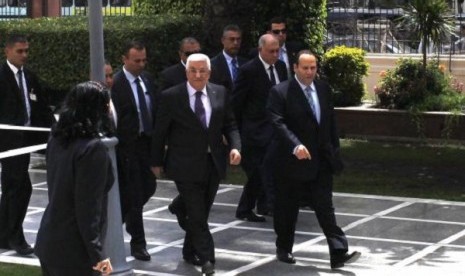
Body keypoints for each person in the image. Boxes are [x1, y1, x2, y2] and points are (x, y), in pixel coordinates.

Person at [267, 50, 361, 269]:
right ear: (295, 68)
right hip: (291, 163)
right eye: (305, 68)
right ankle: (284, 248)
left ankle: (338, 251)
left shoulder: (323, 89)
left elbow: (330, 123)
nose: (310, 72)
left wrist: (335, 152)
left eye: (313, 67)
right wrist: (295, 145)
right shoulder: (280, 92)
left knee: (325, 207)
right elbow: (277, 123)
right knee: (287, 209)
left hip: (321, 162)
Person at [151, 53, 241, 276]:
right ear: (186, 72)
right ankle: (207, 259)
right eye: (193, 71)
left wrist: (235, 147)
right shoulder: (171, 96)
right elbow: (160, 132)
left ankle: (187, 244)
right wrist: (156, 162)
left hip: (213, 163)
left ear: (209, 73)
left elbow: (230, 125)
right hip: (184, 164)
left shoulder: (219, 93)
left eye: (202, 71)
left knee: (202, 210)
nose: (198, 75)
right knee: (198, 214)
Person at [35, 81, 114, 276]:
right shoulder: (92, 150)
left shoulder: (56, 138)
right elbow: (87, 209)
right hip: (75, 252)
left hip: (50, 242)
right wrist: (98, 256)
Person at [0, 34, 53, 255]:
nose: (24, 55)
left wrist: (54, 131)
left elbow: (40, 108)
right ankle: (15, 237)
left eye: (26, 51)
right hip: (8, 143)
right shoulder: (1, 76)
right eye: (19, 51)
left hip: (27, 141)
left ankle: (5, 235)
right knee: (19, 187)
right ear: (7, 51)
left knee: (13, 188)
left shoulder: (29, 77)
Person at [232, 34, 287, 222]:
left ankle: (259, 206)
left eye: (277, 50)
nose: (275, 54)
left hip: (277, 129)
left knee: (269, 169)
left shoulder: (281, 67)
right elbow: (237, 103)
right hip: (255, 131)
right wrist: (235, 133)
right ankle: (251, 207)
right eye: (271, 51)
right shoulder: (249, 70)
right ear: (260, 50)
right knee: (258, 171)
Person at [111, 40, 157, 261]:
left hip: (145, 144)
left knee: (148, 186)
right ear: (125, 59)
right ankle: (138, 242)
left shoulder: (147, 80)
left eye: (143, 60)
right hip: (125, 148)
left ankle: (120, 218)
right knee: (135, 193)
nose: (141, 64)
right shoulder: (116, 84)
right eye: (136, 60)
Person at [209, 24, 248, 92]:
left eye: (238, 39)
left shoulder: (246, 64)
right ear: (223, 40)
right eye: (232, 39)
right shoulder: (212, 65)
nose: (235, 43)